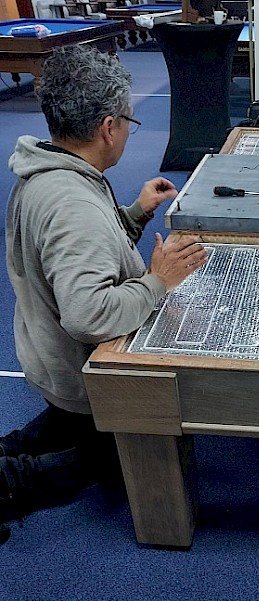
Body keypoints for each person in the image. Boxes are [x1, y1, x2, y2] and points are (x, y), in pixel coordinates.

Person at [0, 44, 208, 543]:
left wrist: (134, 214)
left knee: (57, 431)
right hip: (79, 373)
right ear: (109, 127)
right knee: (128, 450)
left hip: (44, 353)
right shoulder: (73, 204)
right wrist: (158, 281)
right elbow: (88, 315)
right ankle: (10, 487)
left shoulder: (47, 166)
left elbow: (80, 254)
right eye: (130, 122)